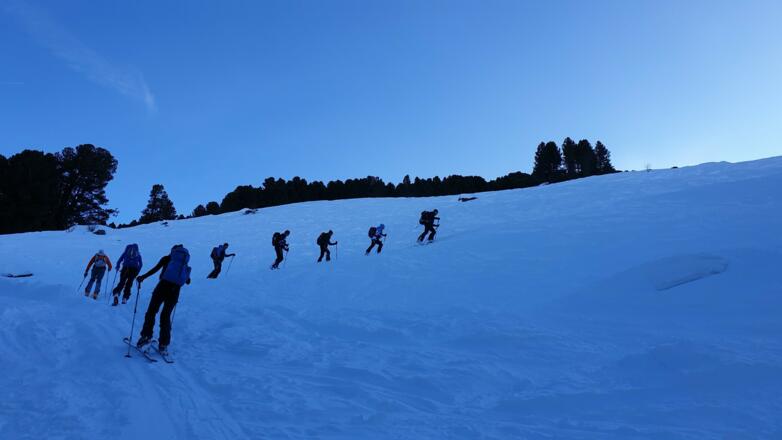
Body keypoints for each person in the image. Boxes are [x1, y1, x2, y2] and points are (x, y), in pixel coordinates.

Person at [135, 244, 192, 355]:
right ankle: (163, 344)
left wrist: (142, 277)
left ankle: (146, 337)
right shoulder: (183, 263)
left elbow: (155, 269)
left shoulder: (167, 258)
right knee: (165, 316)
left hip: (162, 287)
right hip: (175, 291)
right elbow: (188, 281)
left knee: (152, 311)